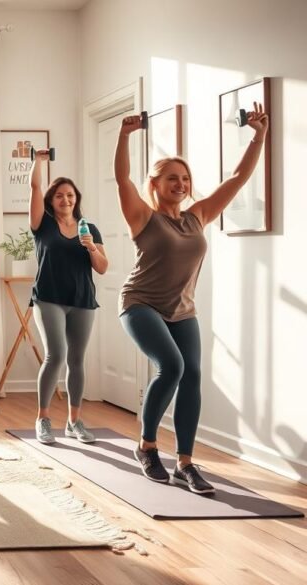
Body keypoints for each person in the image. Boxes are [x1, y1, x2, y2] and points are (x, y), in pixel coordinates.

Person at [116, 103, 269, 495]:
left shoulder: (197, 216)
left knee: (193, 376)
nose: (181, 184)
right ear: (155, 184)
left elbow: (237, 178)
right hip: (141, 303)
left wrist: (258, 136)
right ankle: (147, 447)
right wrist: (124, 136)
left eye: (185, 178)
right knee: (171, 366)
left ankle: (185, 461)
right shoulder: (143, 217)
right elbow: (122, 178)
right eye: (172, 178)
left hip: (182, 309)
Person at [28, 151, 108, 445]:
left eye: (70, 195)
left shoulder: (90, 228)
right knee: (56, 355)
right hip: (48, 297)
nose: (65, 200)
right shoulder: (43, 225)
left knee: (77, 359)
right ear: (52, 200)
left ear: (77, 198)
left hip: (82, 300)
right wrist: (38, 161)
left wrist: (91, 248)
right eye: (59, 196)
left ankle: (74, 421)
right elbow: (35, 188)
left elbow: (101, 267)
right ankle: (43, 419)